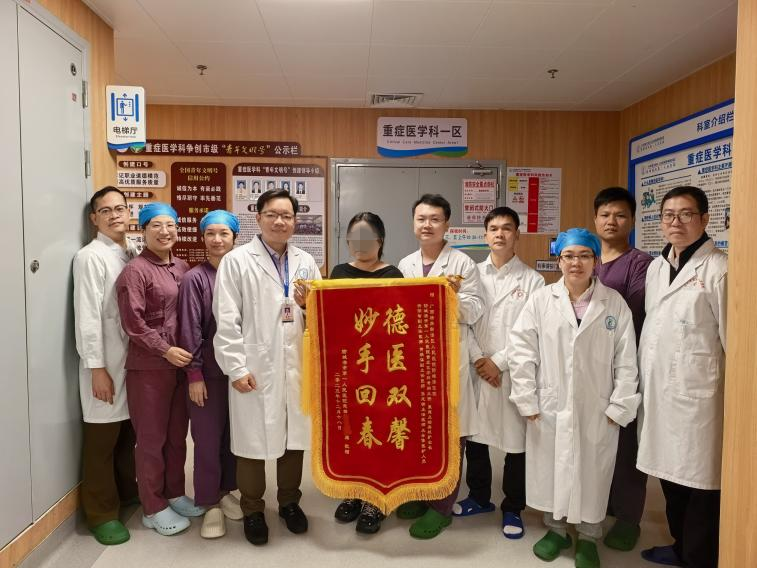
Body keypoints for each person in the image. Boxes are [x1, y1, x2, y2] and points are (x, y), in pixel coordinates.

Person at [508, 228, 640, 568]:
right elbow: (521, 352)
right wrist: (527, 398)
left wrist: (620, 405)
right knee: (553, 468)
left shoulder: (614, 303)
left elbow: (627, 359)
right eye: (568, 256)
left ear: (596, 261)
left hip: (597, 406)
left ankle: (589, 535)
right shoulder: (541, 300)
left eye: (584, 256)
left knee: (592, 473)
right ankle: (556, 530)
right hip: (550, 404)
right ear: (559, 260)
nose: (575, 263)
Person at [213, 189, 322, 546]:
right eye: (272, 214)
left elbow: (321, 317)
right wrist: (235, 367)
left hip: (296, 365)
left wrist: (307, 306)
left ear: (295, 221)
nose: (279, 221)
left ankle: (289, 502)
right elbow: (226, 319)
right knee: (253, 440)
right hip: (255, 365)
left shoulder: (306, 261)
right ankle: (253, 509)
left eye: (287, 216)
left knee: (293, 436)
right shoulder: (236, 261)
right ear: (258, 218)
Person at [637, 186, 727, 568]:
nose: (676, 222)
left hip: (700, 398)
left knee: (700, 484)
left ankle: (698, 558)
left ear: (704, 219)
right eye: (669, 215)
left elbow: (734, 340)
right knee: (670, 479)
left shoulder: (719, 269)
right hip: (661, 392)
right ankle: (679, 547)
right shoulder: (657, 267)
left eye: (686, 214)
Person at [395, 194, 484, 539]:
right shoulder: (405, 264)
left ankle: (442, 507)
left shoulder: (463, 264)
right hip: (414, 364)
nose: (427, 225)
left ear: (447, 224)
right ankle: (422, 494)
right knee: (420, 435)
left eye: (434, 219)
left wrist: (449, 296)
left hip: (449, 363)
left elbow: (474, 311)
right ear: (413, 223)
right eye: (421, 219)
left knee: (449, 437)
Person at [453, 206, 544, 540]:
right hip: (477, 366)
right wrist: (480, 359)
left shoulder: (533, 280)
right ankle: (479, 497)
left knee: (515, 443)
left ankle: (513, 506)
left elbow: (530, 330)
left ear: (517, 234)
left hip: (512, 370)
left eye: (507, 228)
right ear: (485, 235)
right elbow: (463, 321)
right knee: (476, 437)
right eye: (494, 228)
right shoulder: (471, 274)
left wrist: (499, 362)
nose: (500, 234)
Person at [115, 202, 205, 536]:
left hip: (180, 366)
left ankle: (174, 492)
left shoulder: (182, 267)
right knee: (151, 439)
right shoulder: (135, 271)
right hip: (149, 369)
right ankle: (152, 507)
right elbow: (133, 324)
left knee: (177, 435)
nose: (165, 231)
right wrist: (165, 349)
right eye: (156, 225)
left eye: (170, 225)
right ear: (143, 230)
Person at [330, 212, 403, 534]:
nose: (360, 245)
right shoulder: (337, 273)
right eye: (354, 238)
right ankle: (354, 493)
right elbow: (328, 319)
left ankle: (377, 499)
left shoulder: (393, 274)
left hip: (383, 369)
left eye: (367, 238)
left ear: (380, 240)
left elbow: (402, 322)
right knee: (353, 434)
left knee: (381, 434)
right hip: (348, 368)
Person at [73, 187, 139, 545]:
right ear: (94, 218)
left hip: (131, 362)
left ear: (129, 212)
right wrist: (97, 368)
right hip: (106, 365)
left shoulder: (130, 252)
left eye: (120, 208)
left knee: (127, 436)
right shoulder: (90, 257)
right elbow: (87, 317)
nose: (115, 215)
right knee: (102, 440)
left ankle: (127, 492)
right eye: (106, 210)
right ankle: (101, 514)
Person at [592, 187, 653, 551]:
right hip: (589, 366)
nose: (611, 221)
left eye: (619, 215)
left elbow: (629, 312)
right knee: (596, 438)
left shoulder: (640, 264)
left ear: (631, 220)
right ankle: (601, 504)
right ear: (595, 219)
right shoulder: (586, 256)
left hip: (624, 362)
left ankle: (629, 517)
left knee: (626, 441)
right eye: (605, 215)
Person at [178, 210, 244, 539]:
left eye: (224, 234)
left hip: (240, 372)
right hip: (208, 371)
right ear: (202, 238)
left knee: (234, 437)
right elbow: (189, 329)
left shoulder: (242, 274)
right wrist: (194, 375)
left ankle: (226, 490)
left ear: (235, 238)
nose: (217, 240)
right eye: (211, 234)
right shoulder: (195, 279)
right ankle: (209, 502)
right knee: (206, 439)